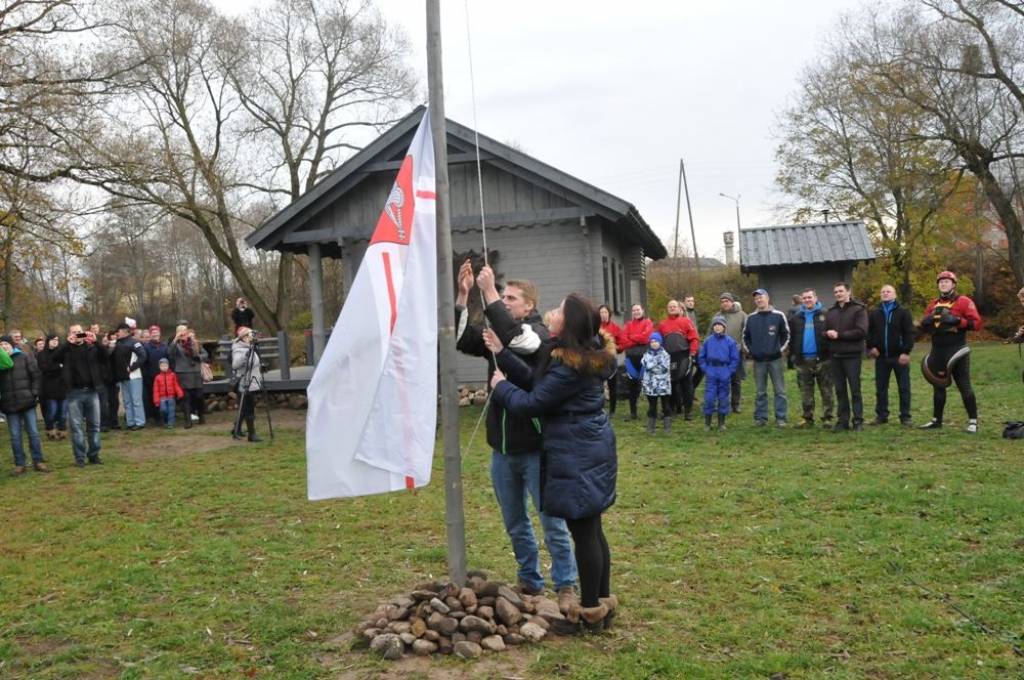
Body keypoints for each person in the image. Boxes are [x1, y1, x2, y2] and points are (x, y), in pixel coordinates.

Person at [487, 293, 618, 632]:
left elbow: (533, 402)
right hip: (590, 445)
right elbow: (539, 382)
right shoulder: (578, 355)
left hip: (577, 451)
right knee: (592, 528)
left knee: (584, 531)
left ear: (567, 322)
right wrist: (503, 355)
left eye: (560, 310)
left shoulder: (571, 366)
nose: (554, 312)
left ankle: (589, 612)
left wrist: (501, 388)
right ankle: (603, 603)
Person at [453, 259, 578, 607]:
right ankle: (530, 580)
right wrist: (463, 297)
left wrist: (489, 291)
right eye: (502, 297)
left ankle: (566, 584)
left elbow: (519, 344)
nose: (504, 302)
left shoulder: (539, 334)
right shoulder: (497, 332)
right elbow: (460, 338)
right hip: (502, 449)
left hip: (536, 448)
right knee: (515, 521)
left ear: (529, 306)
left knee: (551, 520)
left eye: (510, 298)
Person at [919, 271, 982, 432]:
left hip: (957, 349)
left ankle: (973, 422)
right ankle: (936, 420)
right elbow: (924, 325)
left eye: (947, 282)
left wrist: (957, 321)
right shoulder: (933, 304)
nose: (943, 284)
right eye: (941, 282)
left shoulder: (964, 301)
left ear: (953, 284)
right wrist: (925, 322)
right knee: (938, 385)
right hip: (937, 349)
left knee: (964, 385)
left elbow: (976, 324)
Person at [52, 324, 105, 466]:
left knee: (94, 426)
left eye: (79, 332)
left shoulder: (91, 347)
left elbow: (105, 358)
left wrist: (96, 342)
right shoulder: (66, 350)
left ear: (84, 333)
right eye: (74, 333)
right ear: (70, 334)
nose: (77, 335)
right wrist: (66, 344)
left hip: (91, 391)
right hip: (73, 393)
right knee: (76, 428)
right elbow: (54, 358)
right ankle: (80, 458)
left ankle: (94, 455)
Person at [866, 285, 915, 426]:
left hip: (899, 356)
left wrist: (906, 351)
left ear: (895, 294)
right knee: (881, 388)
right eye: (883, 292)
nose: (885, 294)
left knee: (904, 387)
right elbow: (869, 332)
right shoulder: (875, 313)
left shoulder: (904, 312)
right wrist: (871, 347)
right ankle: (881, 415)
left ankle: (905, 416)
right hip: (881, 357)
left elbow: (909, 333)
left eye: (888, 291)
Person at [0, 335, 49, 474]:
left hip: (27, 402)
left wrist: (33, 393)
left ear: (12, 345)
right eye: (1, 344)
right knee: (15, 436)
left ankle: (38, 461)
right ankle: (20, 464)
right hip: (9, 404)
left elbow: (36, 376)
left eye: (6, 344)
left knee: (33, 433)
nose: (4, 347)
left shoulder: (24, 357)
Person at [825, 282, 869, 432]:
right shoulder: (831, 312)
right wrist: (827, 334)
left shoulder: (859, 309)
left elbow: (861, 331)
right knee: (840, 390)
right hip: (835, 356)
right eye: (836, 292)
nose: (838, 294)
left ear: (848, 292)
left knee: (855, 389)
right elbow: (824, 332)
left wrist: (840, 335)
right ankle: (842, 421)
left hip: (852, 355)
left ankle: (858, 421)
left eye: (841, 291)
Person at [742, 288, 790, 427]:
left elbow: (786, 334)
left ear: (767, 298)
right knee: (760, 391)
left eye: (761, 297)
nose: (758, 300)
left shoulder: (778, 315)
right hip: (758, 361)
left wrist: (778, 350)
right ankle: (761, 418)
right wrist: (752, 352)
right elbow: (745, 337)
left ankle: (781, 418)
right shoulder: (751, 318)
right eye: (756, 298)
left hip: (775, 359)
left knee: (780, 390)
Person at [789, 289, 834, 428]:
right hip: (803, 361)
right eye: (804, 298)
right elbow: (792, 339)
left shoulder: (826, 315)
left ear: (816, 298)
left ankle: (827, 418)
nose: (807, 300)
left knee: (826, 390)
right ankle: (808, 418)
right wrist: (793, 357)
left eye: (810, 297)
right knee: (805, 391)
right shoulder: (796, 318)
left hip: (823, 359)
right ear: (802, 300)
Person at [656, 299, 699, 420]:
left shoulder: (686, 322)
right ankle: (670, 409)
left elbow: (694, 338)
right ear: (667, 309)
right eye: (670, 307)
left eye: (674, 306)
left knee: (687, 385)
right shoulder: (662, 324)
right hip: (668, 358)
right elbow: (657, 341)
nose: (672, 308)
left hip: (684, 356)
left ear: (679, 308)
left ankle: (688, 411)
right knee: (671, 384)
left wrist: (693, 352)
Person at [698, 315, 740, 431]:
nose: (717, 327)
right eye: (715, 325)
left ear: (724, 327)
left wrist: (729, 371)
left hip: (724, 371)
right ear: (713, 327)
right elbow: (701, 357)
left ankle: (721, 423)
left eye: (720, 325)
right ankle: (708, 422)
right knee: (709, 397)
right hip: (711, 370)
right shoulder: (707, 341)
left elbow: (735, 358)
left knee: (723, 396)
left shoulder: (730, 342)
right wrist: (706, 369)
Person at [709, 293, 747, 413]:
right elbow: (710, 333)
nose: (724, 303)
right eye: (722, 301)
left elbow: (746, 333)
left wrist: (742, 345)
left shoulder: (742, 315)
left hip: (736, 353)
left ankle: (736, 404)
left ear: (732, 302)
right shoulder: (717, 316)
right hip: (720, 354)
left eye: (727, 301)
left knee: (736, 380)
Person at [167, 325, 207, 428]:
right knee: (186, 398)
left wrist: (198, 356)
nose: (182, 333)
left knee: (199, 396)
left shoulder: (194, 342)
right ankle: (188, 420)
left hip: (196, 372)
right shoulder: (175, 344)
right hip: (183, 373)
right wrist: (175, 339)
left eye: (183, 330)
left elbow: (205, 354)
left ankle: (201, 415)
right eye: (179, 331)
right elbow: (169, 353)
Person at [619, 303, 653, 420]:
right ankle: (633, 412)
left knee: (648, 385)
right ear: (632, 313)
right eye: (634, 310)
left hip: (644, 358)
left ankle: (652, 411)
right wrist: (638, 339)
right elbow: (623, 341)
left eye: (638, 310)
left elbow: (646, 338)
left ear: (642, 310)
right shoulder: (628, 325)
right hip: (631, 359)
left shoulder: (648, 323)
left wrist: (632, 337)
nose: (636, 312)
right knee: (632, 386)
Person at [113, 322, 148, 430]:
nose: (117, 333)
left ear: (124, 331)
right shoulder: (117, 344)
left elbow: (143, 356)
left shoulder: (134, 342)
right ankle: (130, 422)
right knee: (127, 401)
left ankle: (140, 422)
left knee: (136, 400)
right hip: (122, 377)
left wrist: (132, 367)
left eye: (118, 331)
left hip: (134, 376)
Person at [231, 326, 263, 442]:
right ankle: (251, 434)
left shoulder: (251, 347)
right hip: (244, 382)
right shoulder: (239, 349)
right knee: (247, 408)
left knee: (245, 408)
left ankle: (237, 429)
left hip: (252, 381)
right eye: (250, 335)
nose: (252, 337)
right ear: (244, 338)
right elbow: (235, 364)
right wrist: (246, 356)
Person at [37, 334, 68, 441]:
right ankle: (50, 430)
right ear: (48, 341)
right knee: (52, 412)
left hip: (62, 387)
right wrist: (58, 366)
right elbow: (44, 368)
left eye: (57, 340)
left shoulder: (62, 353)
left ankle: (62, 431)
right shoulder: (41, 354)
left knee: (63, 413)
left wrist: (55, 367)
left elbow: (66, 366)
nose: (55, 342)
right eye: (53, 340)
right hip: (49, 388)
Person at [641, 332, 672, 434]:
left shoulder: (666, 354)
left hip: (664, 385)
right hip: (650, 385)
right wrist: (656, 363)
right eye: (652, 341)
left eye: (656, 341)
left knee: (666, 406)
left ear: (660, 342)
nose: (654, 343)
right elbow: (646, 365)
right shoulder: (646, 355)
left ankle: (667, 428)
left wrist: (652, 365)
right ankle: (650, 428)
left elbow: (665, 368)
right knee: (652, 406)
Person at [598, 305, 622, 416]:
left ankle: (612, 410)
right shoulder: (595, 328)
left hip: (611, 360)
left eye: (605, 312)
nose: (603, 314)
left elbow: (622, 343)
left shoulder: (615, 327)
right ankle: (599, 408)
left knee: (613, 385)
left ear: (609, 314)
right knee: (599, 386)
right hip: (598, 360)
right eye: (601, 312)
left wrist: (616, 348)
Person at [142, 325, 168, 425]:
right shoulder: (146, 347)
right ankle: (156, 417)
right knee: (153, 397)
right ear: (150, 334)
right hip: (151, 377)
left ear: (159, 333)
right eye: (153, 333)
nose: (155, 334)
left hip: (164, 376)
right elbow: (144, 362)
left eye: (156, 332)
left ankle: (166, 416)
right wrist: (147, 375)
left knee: (165, 396)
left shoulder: (164, 346)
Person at [152, 358, 185, 428]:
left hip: (171, 397)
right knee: (163, 410)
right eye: (162, 366)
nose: (164, 367)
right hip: (162, 398)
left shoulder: (172, 375)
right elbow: (155, 390)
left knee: (171, 411)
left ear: (168, 366)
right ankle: (166, 420)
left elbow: (176, 385)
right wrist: (156, 401)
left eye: (165, 365)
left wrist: (179, 393)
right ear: (159, 367)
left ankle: (171, 423)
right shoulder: (157, 377)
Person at [98, 330, 119, 431]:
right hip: (102, 380)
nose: (107, 341)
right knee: (103, 403)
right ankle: (104, 424)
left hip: (112, 379)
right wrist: (110, 347)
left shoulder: (114, 349)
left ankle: (114, 422)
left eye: (108, 339)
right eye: (104, 340)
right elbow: (105, 355)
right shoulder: (99, 351)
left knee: (114, 402)